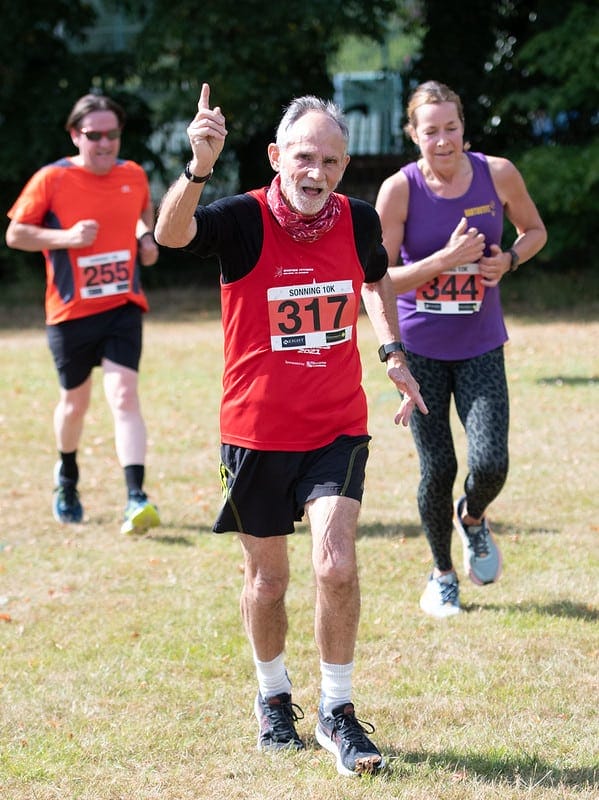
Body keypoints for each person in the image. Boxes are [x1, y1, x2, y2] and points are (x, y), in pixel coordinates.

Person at [155, 83, 428, 776]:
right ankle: (273, 698)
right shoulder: (242, 218)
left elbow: (374, 281)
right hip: (254, 432)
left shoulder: (357, 220)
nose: (317, 173)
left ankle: (337, 711)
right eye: (305, 157)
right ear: (278, 156)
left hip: (336, 426)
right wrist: (198, 165)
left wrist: (390, 351)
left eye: (331, 162)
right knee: (268, 583)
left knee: (335, 563)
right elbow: (170, 235)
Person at [375, 80, 547, 618]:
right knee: (438, 466)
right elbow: (378, 279)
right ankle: (442, 574)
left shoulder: (498, 174)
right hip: (419, 350)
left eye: (451, 128)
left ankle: (471, 518)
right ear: (413, 134)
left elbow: (535, 230)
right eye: (431, 131)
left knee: (491, 462)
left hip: (479, 345)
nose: (443, 140)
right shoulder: (398, 190)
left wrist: (510, 261)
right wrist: (441, 262)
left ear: (463, 127)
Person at [6, 93, 161, 535]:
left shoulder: (132, 174)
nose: (105, 143)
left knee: (124, 396)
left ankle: (135, 496)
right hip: (71, 312)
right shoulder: (51, 180)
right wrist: (68, 238)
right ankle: (67, 479)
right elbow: (16, 234)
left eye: (113, 134)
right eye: (95, 135)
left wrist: (145, 237)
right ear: (76, 135)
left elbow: (141, 211)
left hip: (122, 306)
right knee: (75, 404)